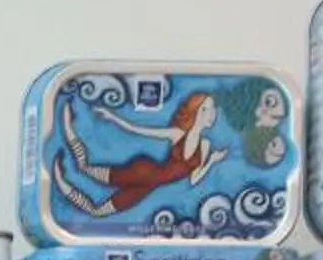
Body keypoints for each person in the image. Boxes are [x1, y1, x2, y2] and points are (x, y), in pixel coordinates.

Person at [51, 89, 223, 217]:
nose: (214, 114)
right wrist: (114, 117)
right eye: (209, 108)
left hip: (147, 187)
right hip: (143, 172)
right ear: (198, 110)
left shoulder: (205, 146)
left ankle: (62, 183)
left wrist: (211, 162)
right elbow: (139, 130)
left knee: (98, 212)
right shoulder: (177, 134)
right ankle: (67, 125)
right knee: (83, 168)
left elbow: (194, 179)